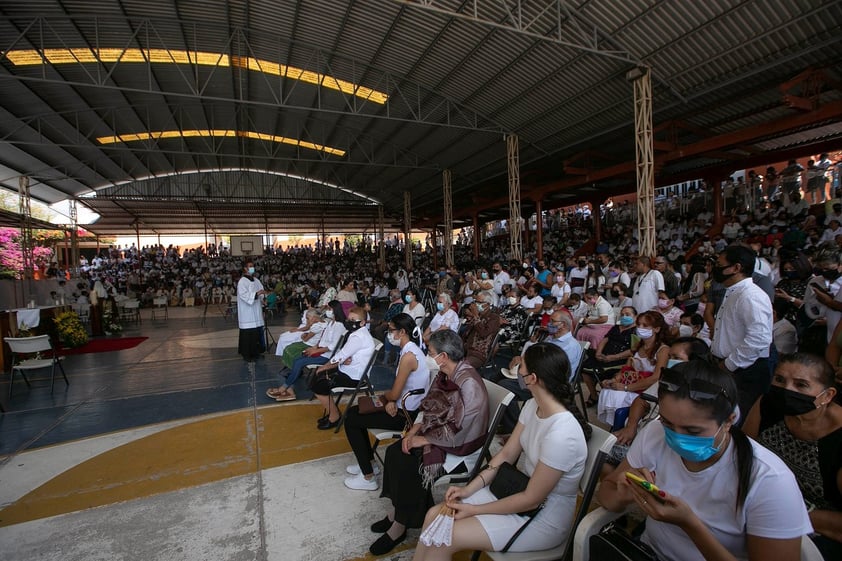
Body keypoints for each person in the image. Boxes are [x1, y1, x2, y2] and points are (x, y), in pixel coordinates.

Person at [598, 360, 812, 561]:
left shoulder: (770, 481)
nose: (677, 437)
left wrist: (690, 524)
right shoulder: (655, 433)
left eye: (692, 430)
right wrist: (624, 493)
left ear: (729, 421)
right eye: (667, 423)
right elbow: (606, 495)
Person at [412, 343, 591, 559]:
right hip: (515, 491)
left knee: (444, 536)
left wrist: (474, 510)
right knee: (435, 515)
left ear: (532, 378)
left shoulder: (563, 434)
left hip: (542, 517)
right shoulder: (534, 405)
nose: (517, 369)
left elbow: (532, 499)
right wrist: (468, 490)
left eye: (521, 366)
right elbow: (506, 455)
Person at [370, 330, 489, 556]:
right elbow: (429, 406)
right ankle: (397, 512)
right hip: (437, 432)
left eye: (431, 352)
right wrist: (413, 430)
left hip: (460, 445)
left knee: (409, 463)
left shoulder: (468, 382)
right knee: (396, 451)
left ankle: (399, 527)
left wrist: (423, 438)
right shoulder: (444, 374)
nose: (428, 355)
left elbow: (464, 428)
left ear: (443, 356)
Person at [743, 353, 842, 560]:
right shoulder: (768, 405)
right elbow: (743, 453)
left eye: (801, 385)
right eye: (779, 380)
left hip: (820, 529)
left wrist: (781, 513)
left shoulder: (838, 439)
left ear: (827, 395)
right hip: (758, 505)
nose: (787, 390)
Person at [343, 313, 430, 491]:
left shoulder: (409, 356)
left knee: (351, 419)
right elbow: (397, 390)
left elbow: (395, 392)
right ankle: (370, 464)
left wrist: (389, 398)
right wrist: (390, 399)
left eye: (391, 330)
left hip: (405, 415)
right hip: (400, 406)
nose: (389, 334)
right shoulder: (409, 350)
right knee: (353, 412)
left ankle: (367, 477)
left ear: (402, 332)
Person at [710, 244, 773, 419]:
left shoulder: (751, 295)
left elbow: (759, 339)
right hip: (732, 367)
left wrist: (729, 364)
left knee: (738, 419)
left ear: (736, 268)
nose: (716, 268)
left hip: (744, 370)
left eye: (719, 264)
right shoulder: (733, 292)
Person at [597, 310, 670, 428]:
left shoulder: (663, 350)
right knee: (607, 392)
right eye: (639, 324)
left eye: (645, 326)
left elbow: (656, 377)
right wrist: (614, 380)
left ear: (657, 329)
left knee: (617, 396)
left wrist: (626, 387)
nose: (640, 328)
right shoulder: (638, 345)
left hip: (646, 391)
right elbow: (626, 369)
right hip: (631, 385)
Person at [265, 300, 347, 402]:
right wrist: (314, 347)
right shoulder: (331, 323)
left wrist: (316, 350)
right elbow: (323, 339)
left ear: (335, 310)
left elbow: (333, 346)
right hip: (320, 350)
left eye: (329, 309)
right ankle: (288, 388)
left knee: (299, 362)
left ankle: (284, 388)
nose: (327, 311)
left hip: (327, 355)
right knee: (297, 358)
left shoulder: (339, 325)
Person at [310, 306, 376, 430]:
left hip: (355, 377)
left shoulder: (357, 337)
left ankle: (334, 416)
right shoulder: (358, 333)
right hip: (348, 369)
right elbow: (345, 354)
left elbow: (340, 356)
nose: (350, 322)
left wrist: (325, 367)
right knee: (318, 378)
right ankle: (333, 412)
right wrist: (341, 360)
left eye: (353, 319)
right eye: (349, 319)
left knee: (319, 384)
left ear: (362, 322)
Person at [581, 306, 637, 407]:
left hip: (619, 360)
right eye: (622, 314)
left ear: (635, 317)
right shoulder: (616, 327)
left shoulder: (636, 331)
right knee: (584, 368)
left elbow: (633, 350)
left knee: (602, 372)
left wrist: (614, 357)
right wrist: (598, 352)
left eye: (628, 314)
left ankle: (605, 398)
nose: (624, 316)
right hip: (604, 355)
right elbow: (605, 339)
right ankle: (594, 396)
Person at [237, 260, 269, 371]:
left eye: (253, 266)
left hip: (256, 310)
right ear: (245, 268)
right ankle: (247, 355)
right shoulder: (242, 282)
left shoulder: (256, 280)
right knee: (248, 334)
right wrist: (257, 294)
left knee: (256, 333)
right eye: (250, 266)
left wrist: (263, 299)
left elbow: (261, 291)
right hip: (247, 312)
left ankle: (257, 352)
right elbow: (244, 295)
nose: (252, 268)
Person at [462, 293, 502, 369]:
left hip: (479, 353)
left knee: (462, 366)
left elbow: (483, 333)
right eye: (475, 302)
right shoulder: (479, 315)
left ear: (487, 304)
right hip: (466, 349)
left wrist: (476, 316)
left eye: (479, 302)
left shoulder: (494, 318)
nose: (476, 305)